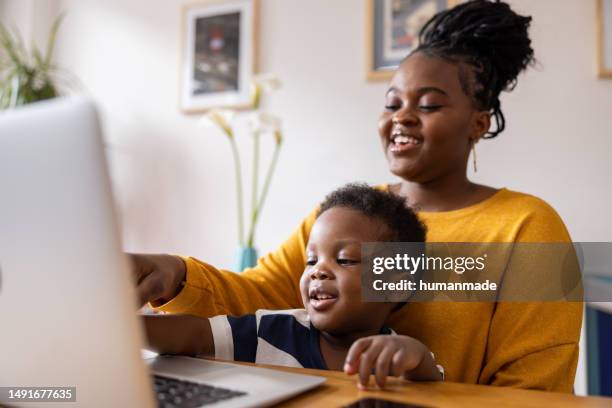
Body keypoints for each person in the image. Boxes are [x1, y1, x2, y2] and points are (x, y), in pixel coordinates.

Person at [131, 0, 582, 392]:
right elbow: (258, 300)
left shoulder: (527, 227)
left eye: (427, 105)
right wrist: (174, 274)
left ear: (478, 123)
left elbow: (531, 389)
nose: (402, 117)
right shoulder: (347, 216)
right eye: (392, 103)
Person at [143, 184, 443, 389]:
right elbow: (193, 335)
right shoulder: (270, 331)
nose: (319, 271)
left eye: (345, 259)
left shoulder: (396, 356)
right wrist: (118, 326)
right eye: (311, 260)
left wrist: (415, 356)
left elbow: (433, 385)